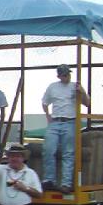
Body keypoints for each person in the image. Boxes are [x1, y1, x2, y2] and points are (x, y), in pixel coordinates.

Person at [41, 64, 90, 194]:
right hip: (55, 121)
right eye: (64, 75)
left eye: (68, 74)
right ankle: (49, 180)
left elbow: (87, 103)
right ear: (59, 76)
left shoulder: (75, 87)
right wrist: (48, 116)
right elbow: (45, 102)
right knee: (48, 149)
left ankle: (66, 183)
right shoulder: (53, 87)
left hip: (70, 121)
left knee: (68, 152)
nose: (67, 77)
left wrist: (82, 92)